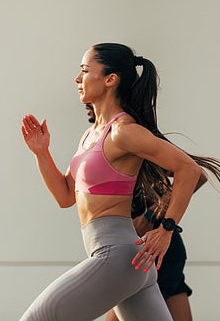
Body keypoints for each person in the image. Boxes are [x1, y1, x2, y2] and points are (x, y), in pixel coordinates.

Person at [20, 43, 220, 321]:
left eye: (85, 71)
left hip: (117, 257)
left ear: (111, 79)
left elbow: (189, 170)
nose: (78, 79)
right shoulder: (90, 136)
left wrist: (165, 228)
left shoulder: (123, 132)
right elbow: (65, 196)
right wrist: (42, 153)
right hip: (128, 259)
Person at [84, 103, 200, 321]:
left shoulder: (131, 136)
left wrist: (152, 218)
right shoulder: (101, 140)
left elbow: (194, 174)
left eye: (92, 102)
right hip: (149, 251)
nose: (86, 105)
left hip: (152, 252)